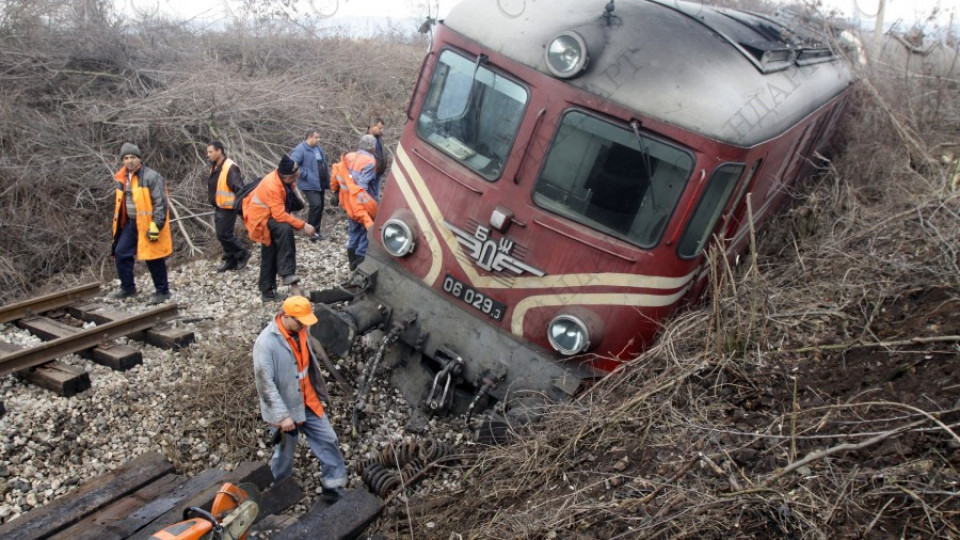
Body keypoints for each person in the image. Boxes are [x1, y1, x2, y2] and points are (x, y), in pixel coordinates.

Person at [253, 295, 348, 499]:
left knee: (328, 439)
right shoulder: (266, 343)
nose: (304, 326)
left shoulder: (302, 329)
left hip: (308, 400)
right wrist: (282, 416)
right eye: (300, 321)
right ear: (286, 316)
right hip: (286, 408)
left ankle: (334, 487)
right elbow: (265, 384)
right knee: (285, 454)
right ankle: (279, 491)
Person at [243, 155, 316, 302]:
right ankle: (287, 272)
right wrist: (303, 225)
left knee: (269, 252)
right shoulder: (273, 185)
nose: (297, 178)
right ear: (288, 177)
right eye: (295, 177)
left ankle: (267, 292)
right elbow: (279, 216)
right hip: (260, 219)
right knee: (284, 229)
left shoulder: (283, 178)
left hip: (267, 216)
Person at [109, 143, 172, 304]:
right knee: (121, 252)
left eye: (132, 157)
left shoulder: (152, 176)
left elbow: (161, 203)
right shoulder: (122, 178)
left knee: (153, 257)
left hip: (148, 224)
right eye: (126, 158)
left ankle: (162, 291)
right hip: (130, 224)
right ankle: (128, 288)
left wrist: (156, 225)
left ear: (139, 159)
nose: (129, 161)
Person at [334, 134, 379, 271]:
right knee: (365, 235)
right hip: (361, 204)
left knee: (353, 234)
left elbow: (338, 176)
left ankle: (352, 267)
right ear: (372, 147)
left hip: (347, 202)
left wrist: (336, 192)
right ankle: (358, 268)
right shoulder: (370, 161)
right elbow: (362, 187)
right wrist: (367, 208)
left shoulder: (348, 157)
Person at [206, 141, 251, 272]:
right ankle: (231, 260)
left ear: (219, 151)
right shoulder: (215, 166)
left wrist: (241, 207)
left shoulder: (230, 167)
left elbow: (239, 188)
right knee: (222, 235)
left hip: (228, 206)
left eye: (210, 152)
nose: (208, 155)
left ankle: (242, 252)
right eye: (207, 152)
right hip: (219, 205)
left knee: (224, 234)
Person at [290, 128, 330, 242]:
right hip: (309, 184)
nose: (319, 140)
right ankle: (311, 233)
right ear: (309, 137)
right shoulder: (300, 149)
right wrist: (305, 174)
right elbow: (293, 164)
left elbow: (322, 162)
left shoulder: (317, 148)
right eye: (316, 137)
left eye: (319, 137)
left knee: (320, 206)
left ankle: (317, 231)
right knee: (316, 205)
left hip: (320, 183)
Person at [367, 118, 388, 198]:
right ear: (372, 126)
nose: (381, 130)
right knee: (370, 197)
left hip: (377, 174)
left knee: (375, 197)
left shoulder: (378, 139)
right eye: (379, 128)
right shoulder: (367, 140)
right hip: (370, 174)